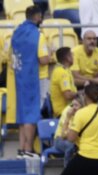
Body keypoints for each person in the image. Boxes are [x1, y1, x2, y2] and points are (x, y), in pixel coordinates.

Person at [11, 6, 50, 158]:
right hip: (36, 78)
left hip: (20, 77)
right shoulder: (38, 35)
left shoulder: (16, 33)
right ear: (37, 16)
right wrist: (51, 53)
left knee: (23, 114)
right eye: (41, 17)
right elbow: (43, 59)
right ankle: (28, 150)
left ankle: (22, 149)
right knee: (32, 114)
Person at [50, 47, 78, 118]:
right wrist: (80, 94)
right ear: (68, 58)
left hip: (69, 109)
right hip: (63, 113)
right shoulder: (62, 73)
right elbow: (67, 95)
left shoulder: (65, 70)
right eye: (72, 55)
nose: (73, 57)